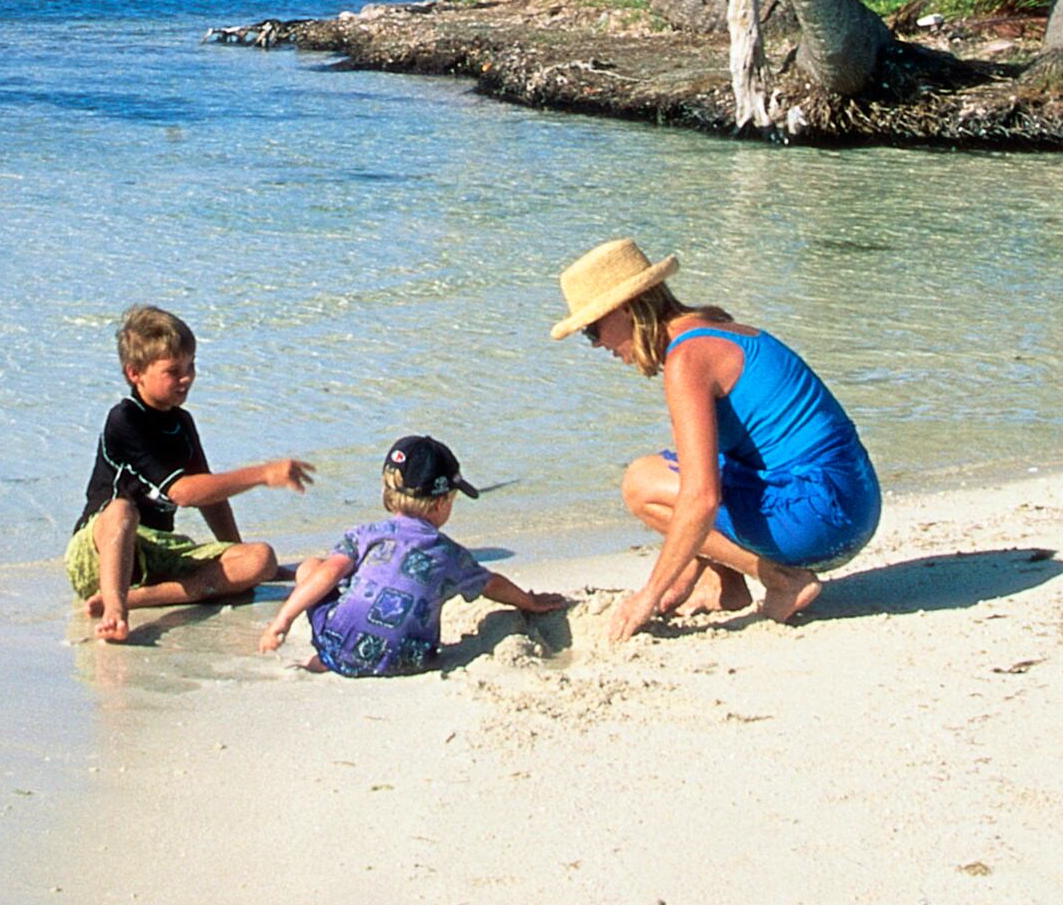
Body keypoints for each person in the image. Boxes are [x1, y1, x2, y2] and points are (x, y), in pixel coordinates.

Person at [550, 237, 880, 639]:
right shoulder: (713, 328)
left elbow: (701, 497)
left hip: (823, 519)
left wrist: (648, 597)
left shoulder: (688, 360)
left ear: (625, 309)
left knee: (642, 482)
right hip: (855, 501)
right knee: (682, 462)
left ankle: (783, 580)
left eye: (591, 330)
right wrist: (685, 576)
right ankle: (721, 584)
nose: (597, 344)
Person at [69, 303, 314, 643]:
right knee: (122, 510)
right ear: (134, 373)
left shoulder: (182, 423)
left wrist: (235, 554)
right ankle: (115, 607)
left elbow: (210, 499)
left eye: (191, 366)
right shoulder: (125, 419)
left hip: (156, 556)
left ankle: (144, 597)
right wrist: (262, 473)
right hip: (99, 552)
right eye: (173, 371)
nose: (186, 378)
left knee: (261, 559)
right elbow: (184, 492)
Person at [258, 435, 568, 675]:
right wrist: (529, 602)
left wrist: (282, 621)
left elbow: (328, 574)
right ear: (440, 504)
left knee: (312, 566)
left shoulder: (366, 535)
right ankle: (337, 657)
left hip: (340, 649)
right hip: (413, 659)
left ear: (389, 493)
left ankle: (322, 662)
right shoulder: (451, 554)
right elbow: (492, 584)